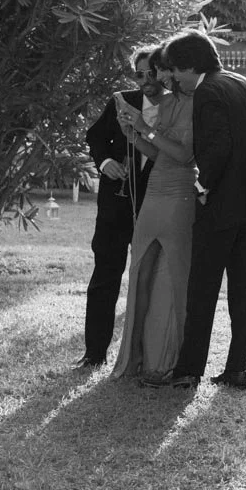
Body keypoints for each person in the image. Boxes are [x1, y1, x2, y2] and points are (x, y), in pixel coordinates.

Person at [148, 30, 246, 390]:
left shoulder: (208, 91)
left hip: (222, 204)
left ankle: (188, 370)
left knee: (203, 286)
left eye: (175, 70)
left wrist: (202, 185)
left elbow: (218, 148)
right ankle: (237, 369)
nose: (173, 78)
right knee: (243, 286)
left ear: (191, 65)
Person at [72, 48, 163, 369]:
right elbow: (95, 137)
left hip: (157, 206)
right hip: (115, 205)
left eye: (153, 73)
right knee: (105, 277)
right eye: (140, 74)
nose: (147, 80)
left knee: (152, 280)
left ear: (165, 73)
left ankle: (145, 357)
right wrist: (106, 161)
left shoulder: (179, 107)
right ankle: (94, 353)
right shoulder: (121, 101)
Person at [110, 49, 195, 381]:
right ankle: (135, 358)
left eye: (160, 71)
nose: (157, 77)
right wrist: (132, 132)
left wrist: (145, 126)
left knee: (174, 276)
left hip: (179, 193)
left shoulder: (190, 103)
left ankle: (174, 360)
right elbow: (159, 153)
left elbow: (184, 155)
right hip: (155, 192)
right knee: (140, 270)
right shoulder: (166, 105)